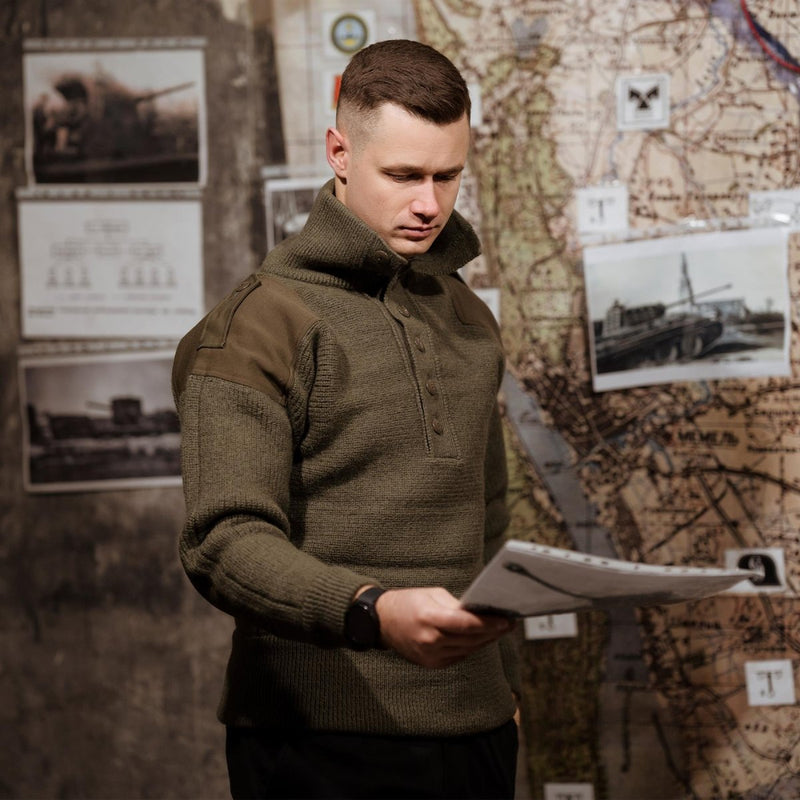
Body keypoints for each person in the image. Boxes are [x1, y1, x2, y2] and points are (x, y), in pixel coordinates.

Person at [172, 38, 520, 799]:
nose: (430, 203)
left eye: (448, 175)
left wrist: (510, 698)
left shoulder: (468, 316)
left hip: (478, 735)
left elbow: (488, 518)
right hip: (315, 740)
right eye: (403, 175)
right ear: (339, 151)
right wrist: (371, 612)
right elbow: (222, 542)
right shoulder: (258, 325)